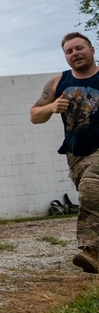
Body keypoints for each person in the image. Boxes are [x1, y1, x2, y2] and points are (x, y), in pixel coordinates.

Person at [29, 32, 99, 273]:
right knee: (91, 196)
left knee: (92, 187)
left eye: (79, 48)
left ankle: (90, 251)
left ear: (92, 50)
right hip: (77, 154)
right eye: (69, 51)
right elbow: (34, 116)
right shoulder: (59, 83)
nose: (74, 54)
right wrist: (51, 106)